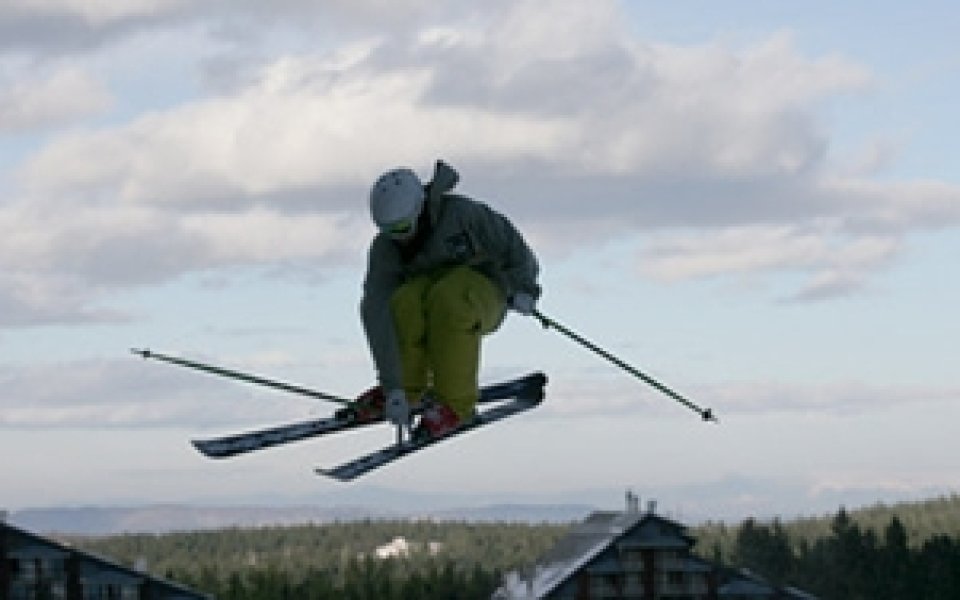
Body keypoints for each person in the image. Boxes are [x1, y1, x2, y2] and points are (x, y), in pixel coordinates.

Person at [359, 159, 541, 440]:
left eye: (402, 228)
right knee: (404, 301)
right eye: (387, 230)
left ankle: (456, 405)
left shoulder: (463, 215)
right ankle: (409, 388)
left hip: (482, 292)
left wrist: (525, 289)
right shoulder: (386, 249)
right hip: (431, 294)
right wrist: (393, 386)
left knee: (451, 298)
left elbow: (513, 249)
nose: (398, 238)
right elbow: (377, 312)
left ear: (419, 209)